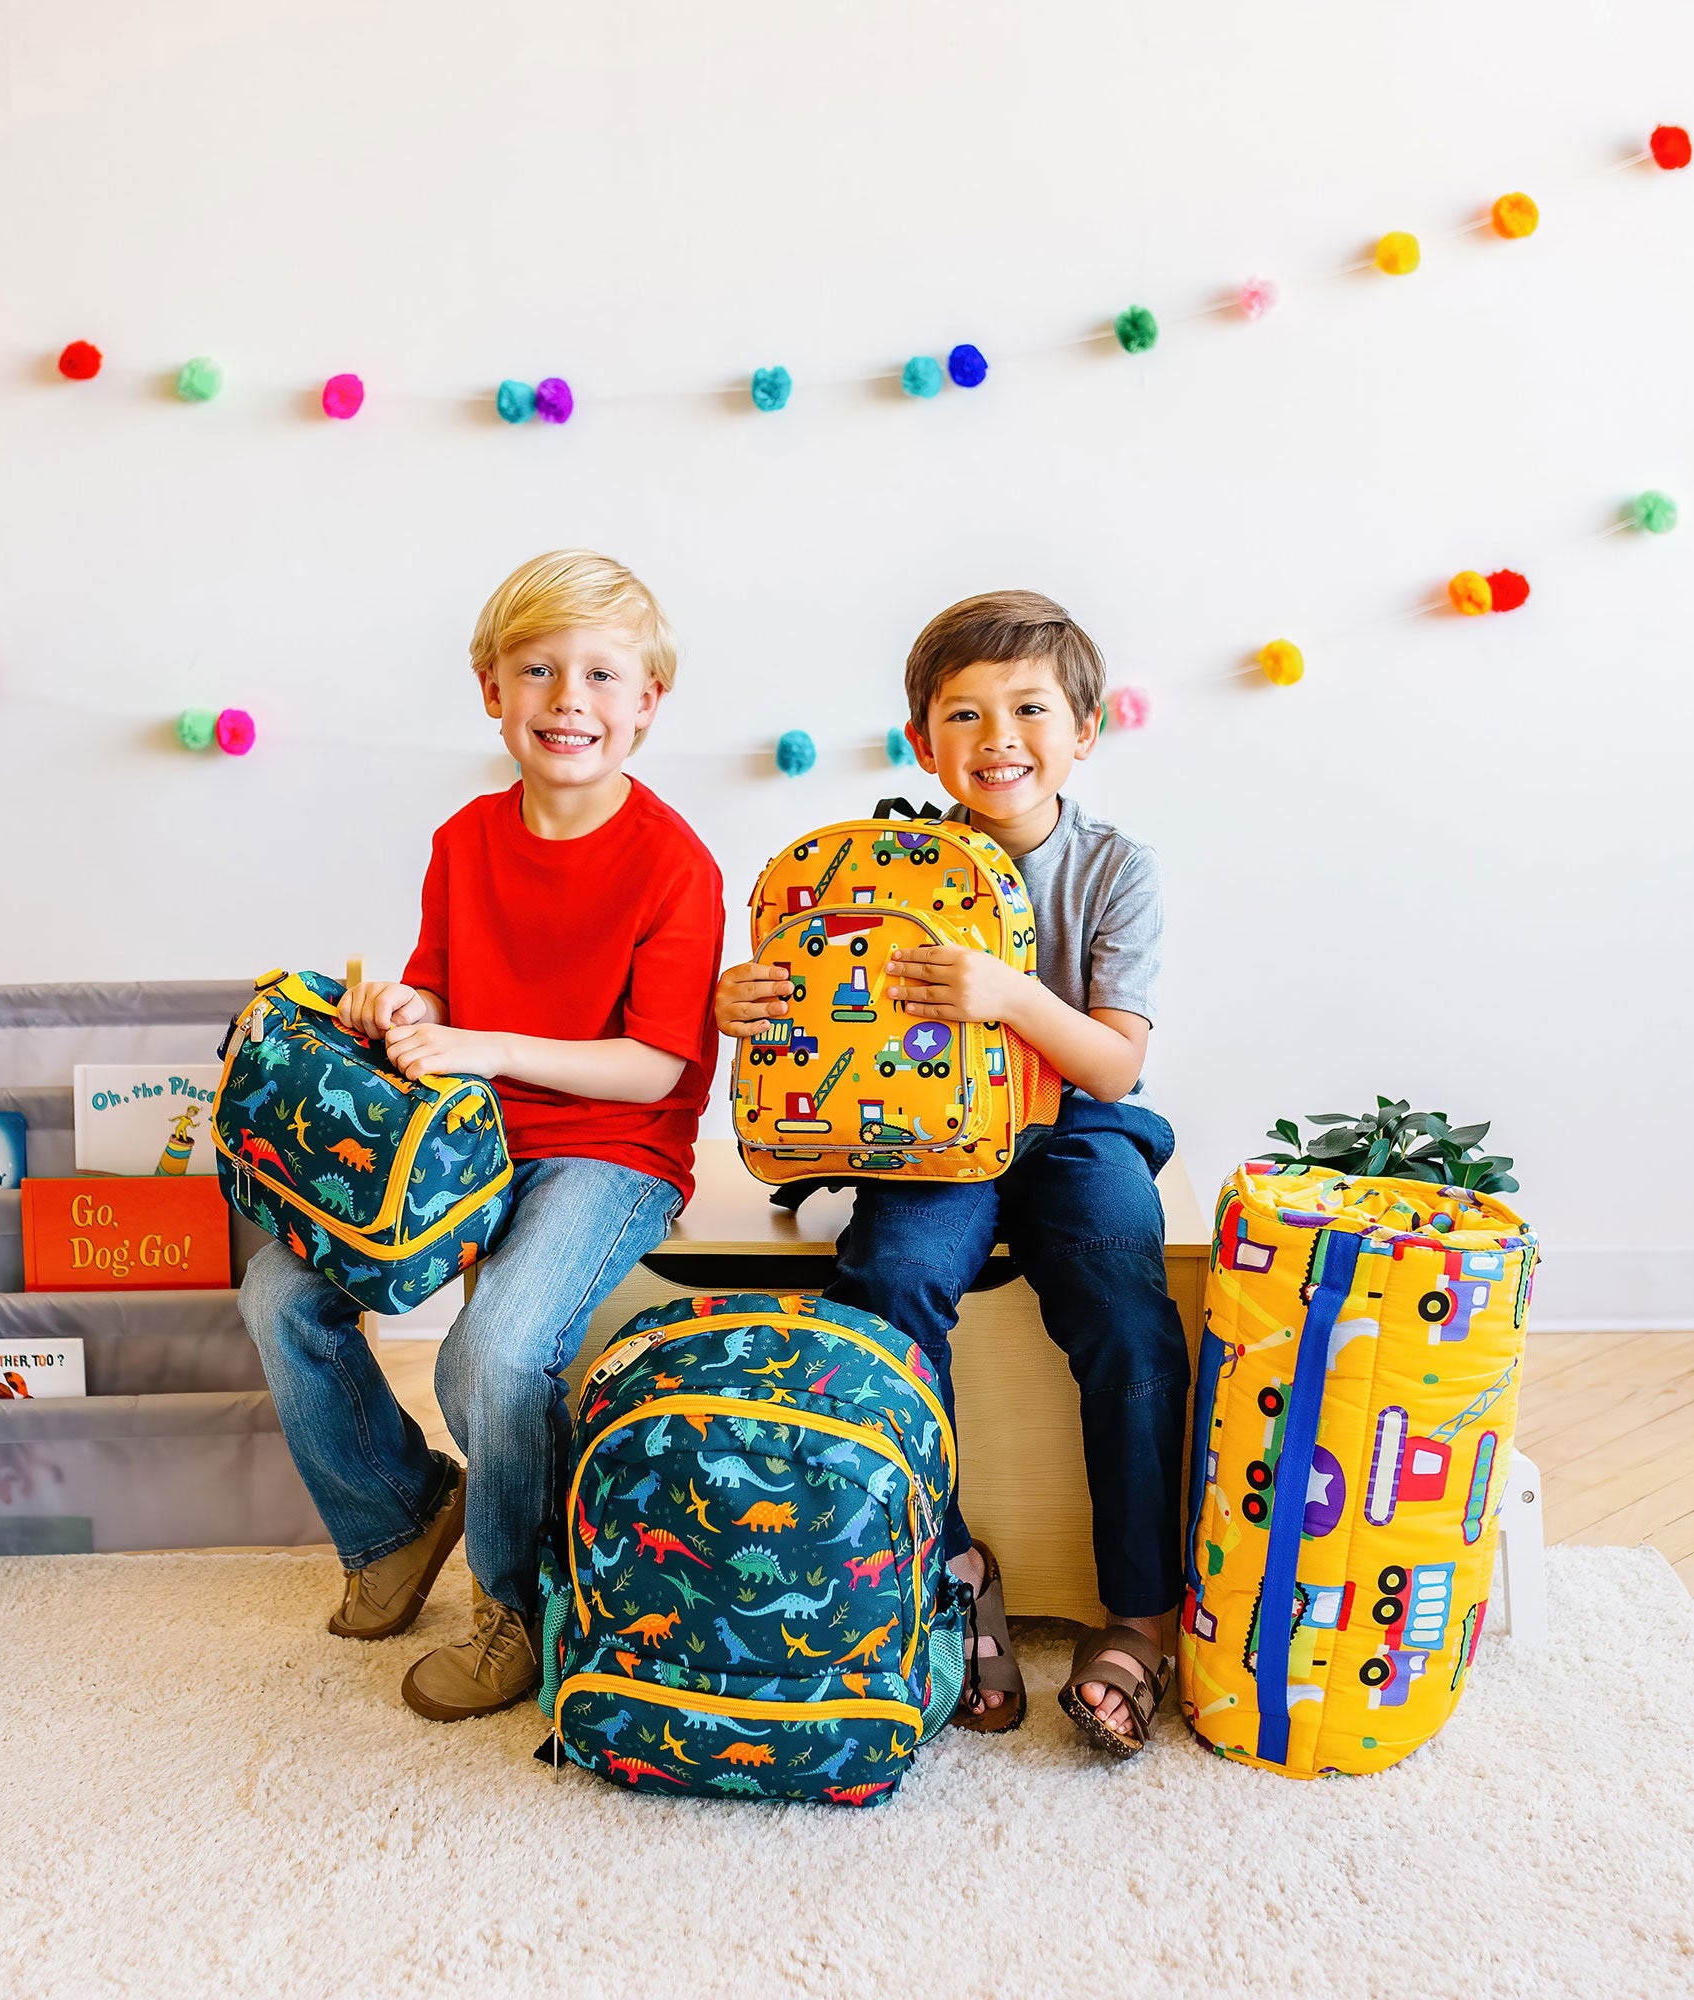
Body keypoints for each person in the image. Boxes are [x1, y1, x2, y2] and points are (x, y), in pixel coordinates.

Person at [242, 550, 723, 1723]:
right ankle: (397, 1517)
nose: (568, 699)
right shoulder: (464, 838)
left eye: (601, 674)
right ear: (491, 689)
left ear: (647, 702)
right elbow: (438, 998)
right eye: (538, 669)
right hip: (467, 1137)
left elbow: (655, 1065)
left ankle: (517, 1601)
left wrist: (486, 1045)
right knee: (277, 1292)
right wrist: (403, 1011)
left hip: (613, 1153)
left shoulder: (674, 862)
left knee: (492, 1354)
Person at [712, 589, 1186, 1758]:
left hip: (1077, 1125)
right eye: (963, 714)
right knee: (886, 1282)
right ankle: (948, 1563)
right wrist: (742, 1000)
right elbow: (822, 1020)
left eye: (1029, 708)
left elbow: (1115, 1063)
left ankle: (1137, 1612)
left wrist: (1011, 994)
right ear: (922, 744)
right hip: (926, 1137)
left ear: (1084, 730)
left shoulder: (1114, 868)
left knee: (1126, 1313)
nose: (997, 736)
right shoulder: (881, 867)